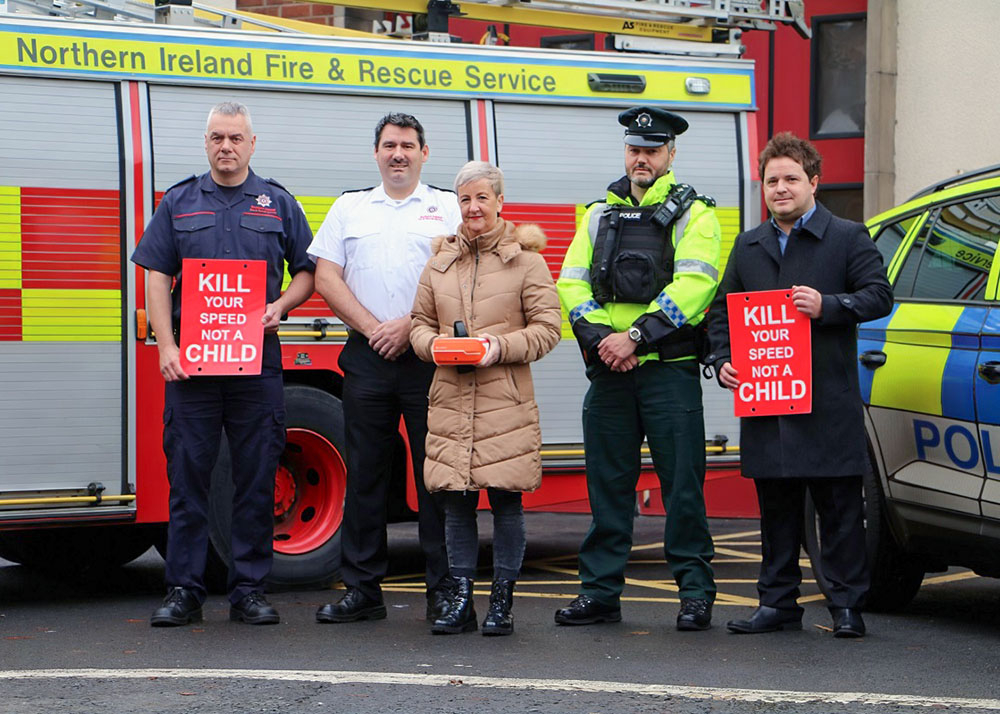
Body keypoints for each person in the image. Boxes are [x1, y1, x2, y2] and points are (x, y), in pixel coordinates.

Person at [133, 101, 315, 626]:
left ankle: (250, 590)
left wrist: (281, 306)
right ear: (206, 143)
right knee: (188, 478)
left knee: (256, 478)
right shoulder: (179, 201)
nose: (226, 146)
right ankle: (184, 590)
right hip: (193, 368)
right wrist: (166, 345)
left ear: (251, 144)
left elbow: (308, 269)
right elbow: (156, 274)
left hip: (256, 367)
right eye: (217, 137)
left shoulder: (277, 203)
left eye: (235, 138)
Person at [705, 132, 893, 637]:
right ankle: (778, 605)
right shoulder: (749, 245)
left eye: (791, 178)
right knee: (777, 513)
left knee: (838, 511)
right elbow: (722, 313)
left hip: (827, 402)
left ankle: (846, 607)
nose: (780, 188)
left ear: (814, 182)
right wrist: (722, 360)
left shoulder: (849, 236)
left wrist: (828, 306)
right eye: (772, 180)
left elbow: (879, 296)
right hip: (769, 402)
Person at [554, 106, 721, 630]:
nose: (641, 157)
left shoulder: (698, 215)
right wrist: (604, 340)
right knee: (608, 485)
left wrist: (634, 337)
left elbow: (696, 286)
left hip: (667, 370)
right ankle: (599, 593)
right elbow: (571, 283)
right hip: (611, 371)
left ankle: (695, 592)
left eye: (652, 149)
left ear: (671, 154)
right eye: (634, 148)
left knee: (682, 487)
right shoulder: (597, 215)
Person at [309, 113, 461, 624]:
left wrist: (409, 326)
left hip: (430, 360)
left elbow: (467, 281)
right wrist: (377, 328)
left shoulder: (448, 208)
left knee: (437, 479)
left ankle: (443, 592)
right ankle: (362, 591)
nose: (399, 153)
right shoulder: (350, 207)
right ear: (375, 152)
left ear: (425, 153)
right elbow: (326, 276)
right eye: (390, 145)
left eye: (408, 145)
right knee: (367, 477)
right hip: (367, 357)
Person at [410, 161, 561, 636]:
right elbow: (418, 324)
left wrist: (498, 347)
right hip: (452, 398)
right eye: (465, 199)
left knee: (505, 503)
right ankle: (460, 601)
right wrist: (432, 346)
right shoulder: (439, 263)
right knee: (455, 504)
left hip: (505, 402)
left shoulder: (527, 262)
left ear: (500, 202)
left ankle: (501, 602)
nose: (473, 207)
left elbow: (548, 330)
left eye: (482, 198)